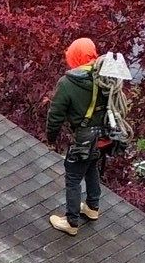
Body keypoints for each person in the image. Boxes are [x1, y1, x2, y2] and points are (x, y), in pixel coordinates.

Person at [45, 39, 112, 237]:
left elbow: (55, 114)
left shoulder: (68, 83)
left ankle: (71, 221)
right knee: (91, 166)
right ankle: (92, 207)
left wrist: (51, 137)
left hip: (84, 138)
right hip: (103, 136)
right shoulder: (105, 76)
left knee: (73, 176)